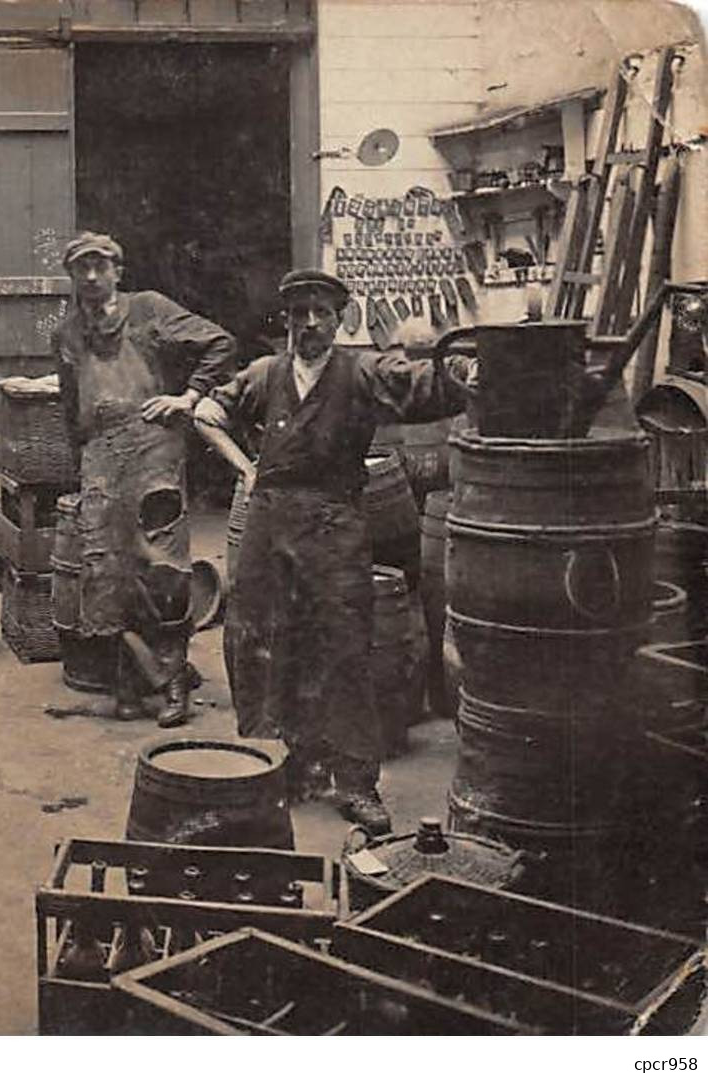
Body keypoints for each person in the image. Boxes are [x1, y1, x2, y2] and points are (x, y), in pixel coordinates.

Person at [193, 269, 475, 835]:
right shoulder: (265, 373)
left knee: (345, 651)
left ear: (340, 318)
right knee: (261, 645)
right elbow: (206, 413)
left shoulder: (363, 371)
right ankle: (276, 767)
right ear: (290, 321)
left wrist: (466, 372)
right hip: (268, 525)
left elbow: (425, 385)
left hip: (335, 522)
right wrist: (246, 469)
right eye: (301, 314)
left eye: (322, 312)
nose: (311, 323)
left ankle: (355, 785)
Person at [53, 231, 236, 726]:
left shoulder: (149, 309)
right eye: (80, 268)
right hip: (101, 457)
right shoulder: (67, 333)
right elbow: (71, 405)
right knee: (105, 573)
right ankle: (131, 682)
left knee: (162, 570)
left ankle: (174, 682)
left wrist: (189, 397)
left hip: (154, 447)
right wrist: (84, 459)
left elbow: (219, 343)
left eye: (100, 266)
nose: (91, 277)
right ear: (71, 276)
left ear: (117, 271)